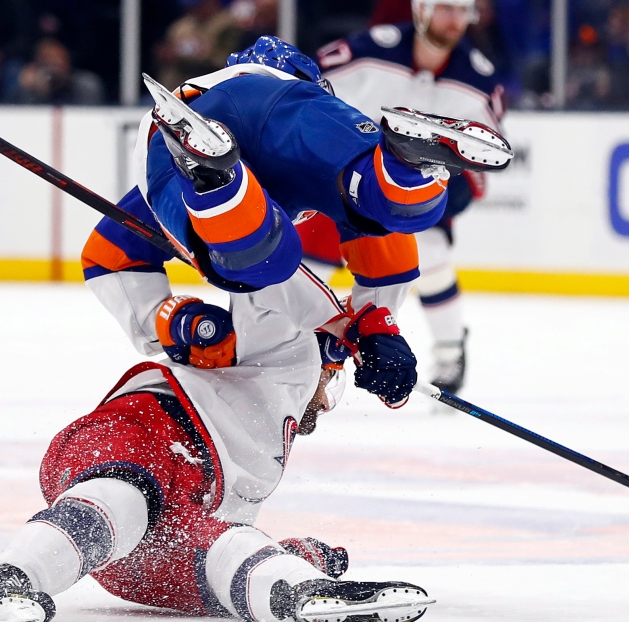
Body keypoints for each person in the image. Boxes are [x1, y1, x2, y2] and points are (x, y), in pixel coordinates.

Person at [0, 265, 435, 622]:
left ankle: (306, 597)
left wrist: (301, 557)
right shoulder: (287, 349)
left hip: (142, 558)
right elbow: (268, 270)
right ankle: (3, 584)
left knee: (222, 554)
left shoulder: (271, 450)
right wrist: (365, 330)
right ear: (321, 362)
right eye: (334, 382)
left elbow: (225, 532)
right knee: (122, 496)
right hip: (143, 432)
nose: (327, 404)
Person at [99, 35, 510, 407]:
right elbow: (373, 242)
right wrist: (376, 327)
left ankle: (217, 180)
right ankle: (402, 168)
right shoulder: (304, 95)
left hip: (199, 109)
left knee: (262, 256)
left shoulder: (232, 87)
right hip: (291, 106)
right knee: (370, 203)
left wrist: (373, 330)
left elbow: (106, 256)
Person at [310, 0, 507, 394]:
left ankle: (451, 353)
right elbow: (304, 91)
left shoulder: (479, 79)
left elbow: (484, 164)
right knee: (301, 265)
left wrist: (428, 200)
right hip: (341, 179)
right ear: (420, 9)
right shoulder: (366, 50)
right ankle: (291, 350)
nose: (455, 19)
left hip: (413, 191)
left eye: (462, 11)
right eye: (446, 8)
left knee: (429, 247)